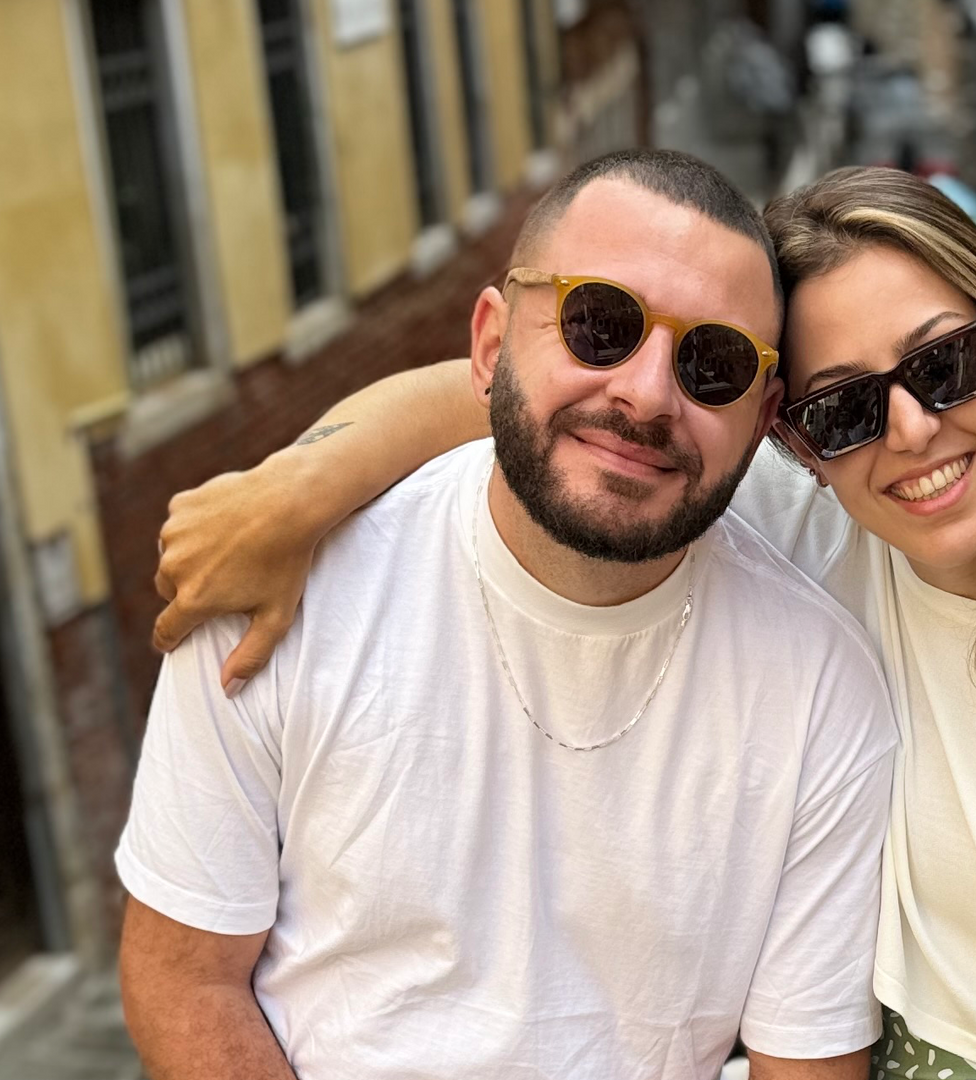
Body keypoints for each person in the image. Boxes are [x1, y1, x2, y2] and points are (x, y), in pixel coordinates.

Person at [153, 164, 976, 1080]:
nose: (910, 430)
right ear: (790, 438)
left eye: (947, 364)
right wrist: (297, 491)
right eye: (844, 407)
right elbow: (549, 401)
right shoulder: (830, 527)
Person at [116, 150, 899, 1080]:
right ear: (491, 344)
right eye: (599, 324)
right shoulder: (280, 596)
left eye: (714, 364)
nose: (648, 394)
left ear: (764, 417)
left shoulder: (825, 688)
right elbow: (185, 981)